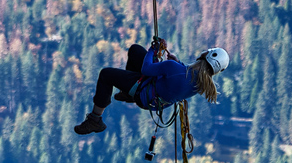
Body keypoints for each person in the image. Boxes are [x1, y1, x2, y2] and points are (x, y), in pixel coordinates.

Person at [74, 40, 228, 136]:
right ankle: (127, 93)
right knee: (135, 50)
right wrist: (177, 62)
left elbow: (146, 69)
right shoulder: (201, 84)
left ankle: (95, 119)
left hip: (144, 92)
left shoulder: (174, 68)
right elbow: (181, 76)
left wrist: (153, 49)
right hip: (155, 99)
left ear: (206, 55)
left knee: (106, 74)